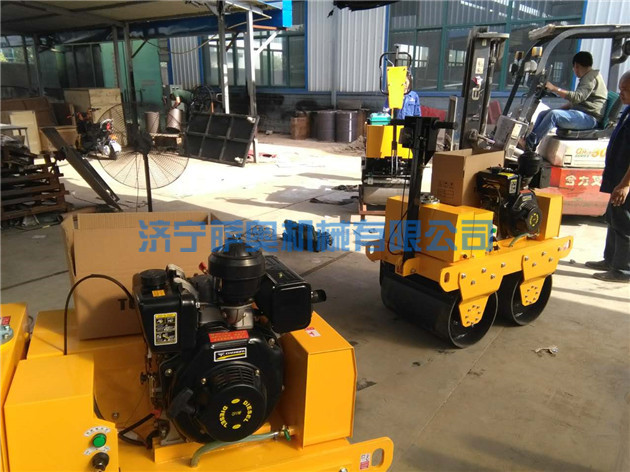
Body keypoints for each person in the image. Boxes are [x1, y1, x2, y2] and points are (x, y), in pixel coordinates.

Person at [585, 70, 630, 283]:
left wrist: (625, 184)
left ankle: (623, 270)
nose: (621, 93)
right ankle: (610, 260)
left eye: (626, 89)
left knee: (624, 224)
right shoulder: (627, 110)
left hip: (625, 180)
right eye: (620, 88)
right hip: (617, 176)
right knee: (613, 218)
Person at [524, 51, 608, 150]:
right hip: (582, 114)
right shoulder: (589, 76)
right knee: (544, 113)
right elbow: (575, 102)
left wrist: (555, 89)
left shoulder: (590, 78)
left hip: (589, 118)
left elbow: (577, 97)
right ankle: (530, 142)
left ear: (576, 66)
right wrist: (558, 109)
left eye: (574, 68)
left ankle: (529, 144)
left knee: (554, 115)